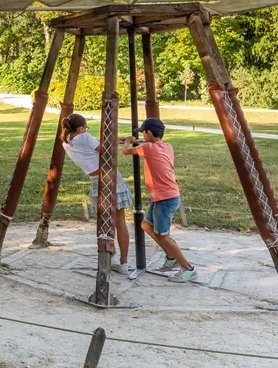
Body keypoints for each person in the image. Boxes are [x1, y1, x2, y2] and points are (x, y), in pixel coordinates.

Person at [122, 117, 196, 282]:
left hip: (165, 199)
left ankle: (188, 268)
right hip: (166, 196)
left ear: (148, 133)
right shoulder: (167, 146)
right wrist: (140, 141)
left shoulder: (148, 148)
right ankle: (171, 257)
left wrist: (128, 141)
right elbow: (148, 145)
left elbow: (126, 151)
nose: (143, 136)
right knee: (146, 225)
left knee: (163, 236)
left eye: (144, 133)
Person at [61, 113, 132, 275]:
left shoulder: (67, 142)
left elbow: (99, 145)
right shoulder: (84, 137)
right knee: (120, 221)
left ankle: (110, 257)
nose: (87, 130)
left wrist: (118, 138)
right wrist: (126, 142)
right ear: (80, 129)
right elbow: (106, 150)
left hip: (96, 180)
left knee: (105, 221)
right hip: (110, 177)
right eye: (86, 127)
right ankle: (124, 262)